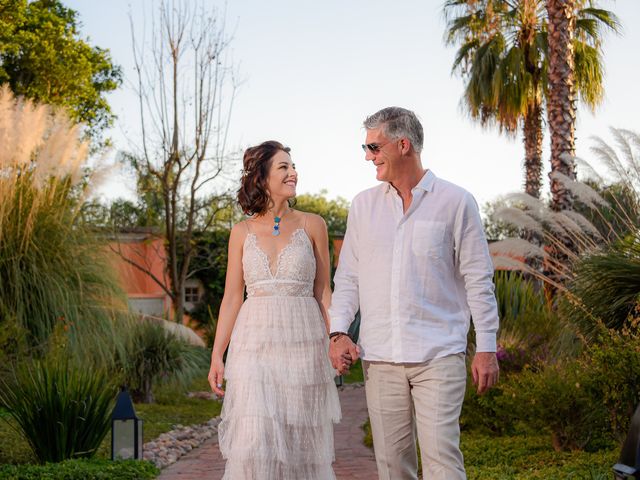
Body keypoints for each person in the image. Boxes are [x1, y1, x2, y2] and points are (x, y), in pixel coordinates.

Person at [328, 107, 500, 480]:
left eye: (374, 147)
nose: (368, 156)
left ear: (403, 145)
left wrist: (486, 347)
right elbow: (349, 278)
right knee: (392, 466)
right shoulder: (363, 206)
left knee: (441, 460)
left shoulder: (457, 202)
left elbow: (478, 278)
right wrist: (338, 331)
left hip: (439, 354)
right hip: (380, 357)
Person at [208, 140, 341, 479]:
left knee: (299, 441)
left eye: (293, 166)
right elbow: (232, 297)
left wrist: (335, 338)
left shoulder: (314, 224)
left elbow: (324, 290)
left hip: (303, 342)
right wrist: (217, 354)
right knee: (255, 441)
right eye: (284, 167)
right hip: (254, 344)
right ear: (262, 177)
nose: (293, 172)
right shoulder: (241, 232)